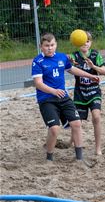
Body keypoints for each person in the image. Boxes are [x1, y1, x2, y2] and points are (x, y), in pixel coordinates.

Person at [32, 33, 100, 162]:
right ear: (41, 46)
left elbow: (72, 69)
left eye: (52, 45)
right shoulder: (37, 61)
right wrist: (53, 91)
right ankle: (49, 158)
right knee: (54, 129)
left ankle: (79, 158)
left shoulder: (61, 57)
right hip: (47, 99)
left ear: (56, 45)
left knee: (77, 123)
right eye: (46, 46)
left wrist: (90, 76)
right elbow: (38, 84)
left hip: (63, 97)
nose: (49, 48)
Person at [69, 31, 105, 155]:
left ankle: (98, 148)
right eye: (83, 41)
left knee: (96, 117)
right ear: (77, 43)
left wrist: (94, 66)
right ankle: (71, 141)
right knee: (77, 122)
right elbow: (68, 67)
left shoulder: (96, 54)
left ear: (90, 42)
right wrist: (70, 62)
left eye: (87, 41)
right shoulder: (74, 56)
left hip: (94, 92)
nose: (85, 43)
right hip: (80, 93)